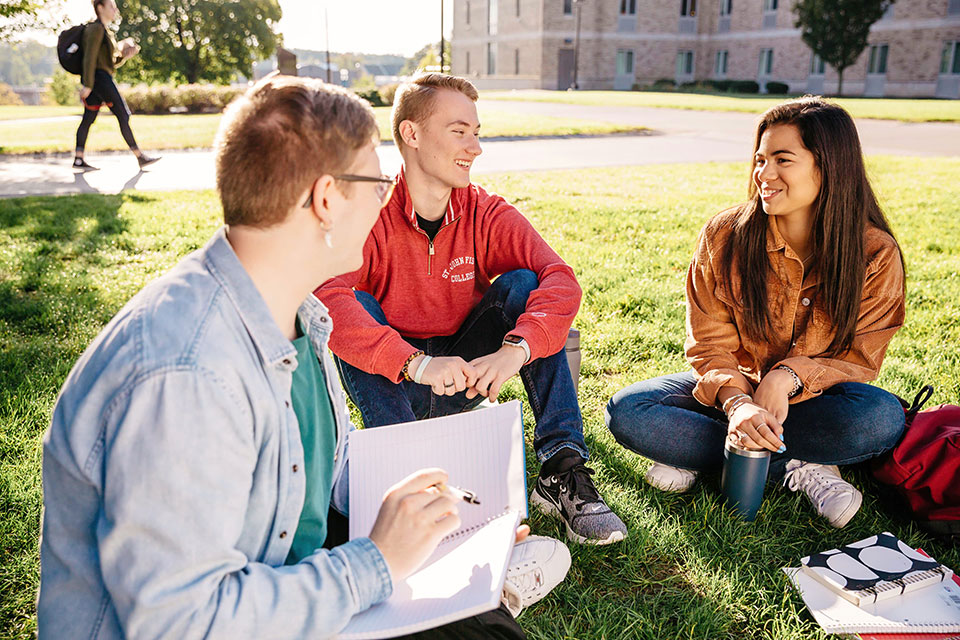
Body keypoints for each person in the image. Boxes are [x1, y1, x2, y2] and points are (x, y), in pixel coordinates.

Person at [38, 74, 568, 639]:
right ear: (325, 200)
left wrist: (436, 526)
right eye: (375, 184)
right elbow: (176, 623)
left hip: (281, 581)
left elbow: (301, 481)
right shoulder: (185, 373)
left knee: (480, 623)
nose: (390, 198)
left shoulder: (300, 318)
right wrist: (378, 563)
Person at [315, 73, 628, 546]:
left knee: (526, 285)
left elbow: (559, 278)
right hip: (399, 387)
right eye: (459, 131)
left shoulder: (485, 211)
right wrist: (414, 363)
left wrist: (516, 351)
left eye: (476, 133)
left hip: (467, 374)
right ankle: (404, 475)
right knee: (351, 301)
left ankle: (562, 467)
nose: (475, 147)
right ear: (412, 134)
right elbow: (326, 297)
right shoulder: (370, 212)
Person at [605, 97, 906, 529]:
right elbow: (709, 345)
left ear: (829, 166)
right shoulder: (724, 236)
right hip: (734, 391)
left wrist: (787, 378)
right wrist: (740, 404)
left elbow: (859, 357)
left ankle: (722, 455)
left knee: (879, 418)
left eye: (783, 160)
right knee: (628, 410)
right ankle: (795, 461)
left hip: (815, 402)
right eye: (760, 159)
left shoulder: (874, 252)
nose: (764, 175)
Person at [73, 0, 159, 171]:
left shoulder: (104, 31)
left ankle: (78, 159)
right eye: (111, 6)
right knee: (123, 114)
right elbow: (89, 58)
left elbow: (107, 63)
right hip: (99, 80)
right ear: (100, 8)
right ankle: (140, 157)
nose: (115, 10)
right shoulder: (96, 29)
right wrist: (88, 85)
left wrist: (124, 56)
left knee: (88, 118)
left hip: (99, 77)